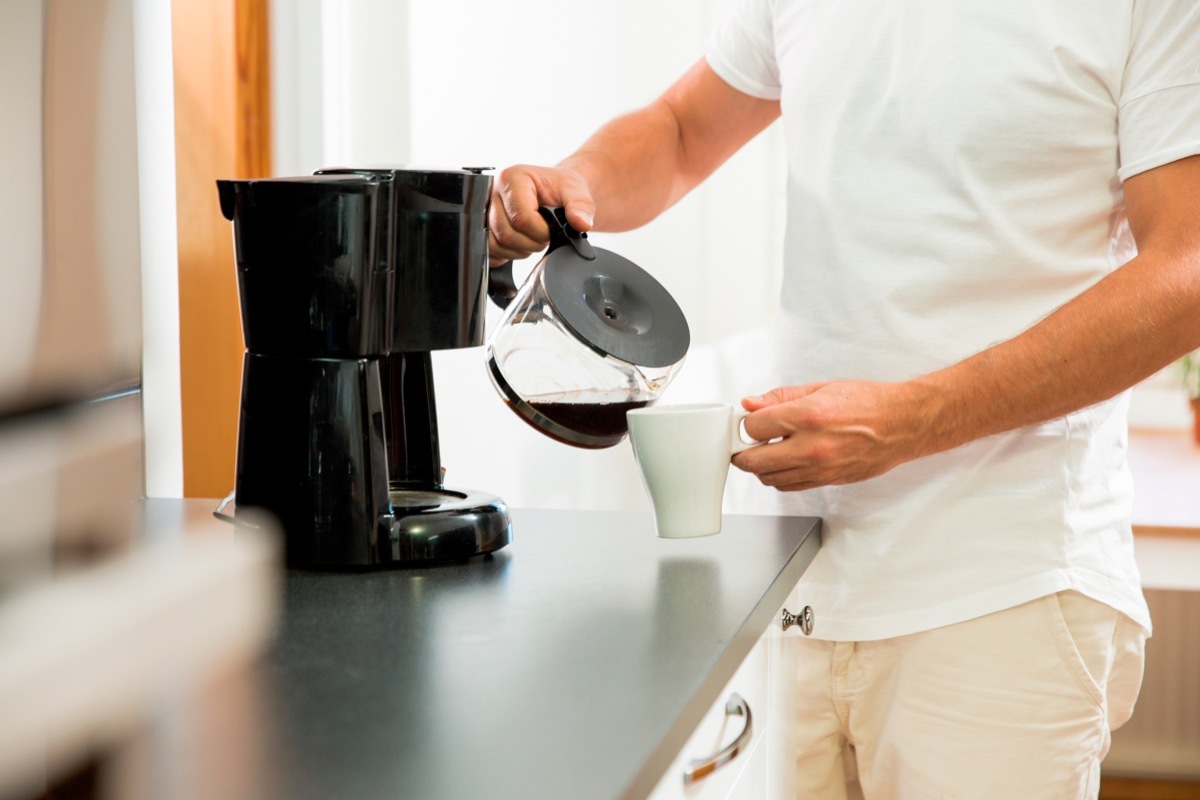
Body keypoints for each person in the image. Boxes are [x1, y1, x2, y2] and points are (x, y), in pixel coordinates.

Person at [488, 2, 1200, 797]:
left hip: (1003, 591)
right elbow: (683, 129)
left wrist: (914, 418)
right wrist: (580, 180)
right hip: (789, 586)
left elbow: (1186, 271)